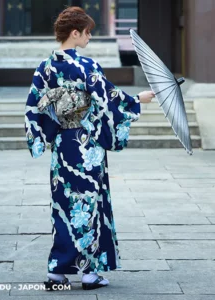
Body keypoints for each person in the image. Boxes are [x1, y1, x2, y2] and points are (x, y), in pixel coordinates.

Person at [24, 6, 154, 291]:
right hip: (86, 145)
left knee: (63, 206)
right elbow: (109, 100)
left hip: (62, 145)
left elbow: (34, 106)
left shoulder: (44, 67)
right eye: (87, 32)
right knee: (89, 206)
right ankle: (89, 274)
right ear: (75, 33)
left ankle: (57, 272)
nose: (89, 37)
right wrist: (137, 100)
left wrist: (40, 137)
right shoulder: (86, 66)